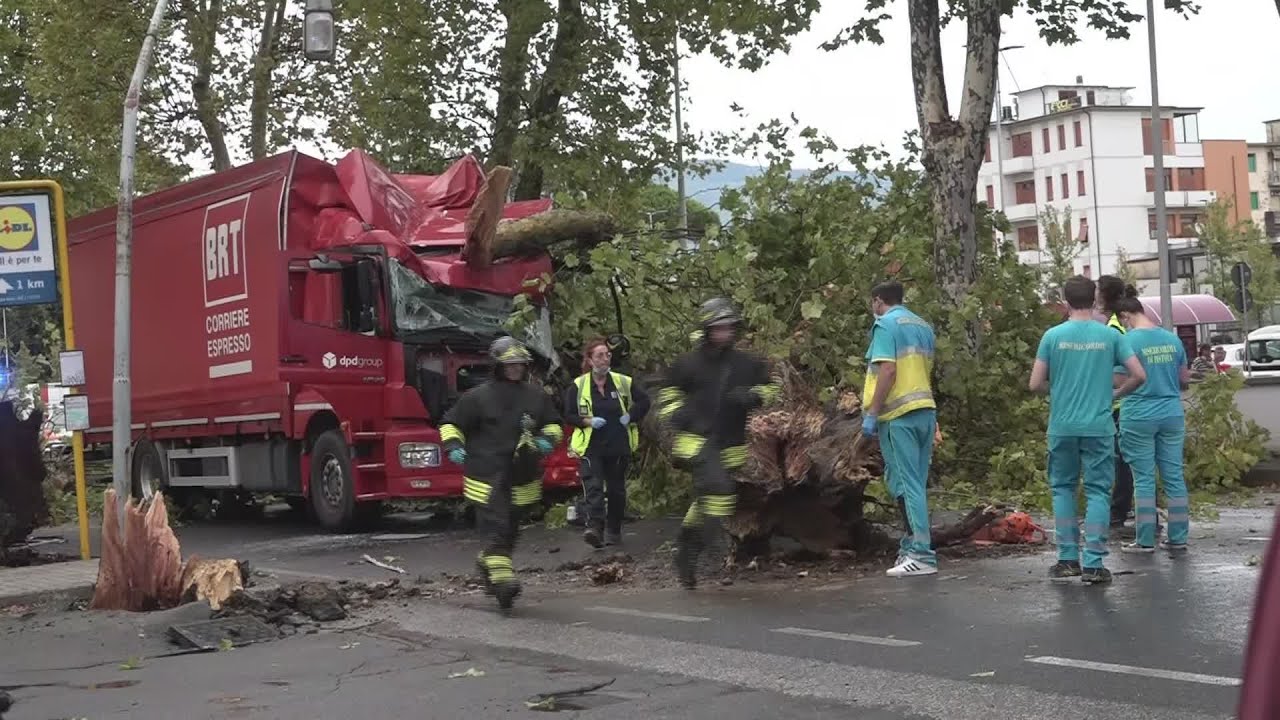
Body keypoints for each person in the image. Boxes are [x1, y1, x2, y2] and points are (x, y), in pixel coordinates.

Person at [1030, 276, 1146, 584]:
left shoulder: (1052, 336)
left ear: (1065, 301)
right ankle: (1094, 563)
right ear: (1094, 300)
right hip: (1099, 425)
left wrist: (1058, 389)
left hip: (1062, 425)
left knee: (1062, 489)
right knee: (1097, 492)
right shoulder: (1109, 335)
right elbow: (1138, 375)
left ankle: (1068, 559)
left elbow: (1035, 383)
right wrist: (1116, 394)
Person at [657, 298, 779, 589]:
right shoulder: (688, 364)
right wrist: (679, 413)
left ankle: (684, 550)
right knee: (720, 493)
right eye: (718, 328)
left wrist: (753, 396)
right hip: (697, 442)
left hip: (730, 444)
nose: (724, 333)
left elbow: (772, 387)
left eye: (728, 327)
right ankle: (693, 549)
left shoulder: (746, 364)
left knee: (709, 500)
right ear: (707, 329)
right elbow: (666, 395)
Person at [439, 337, 563, 609]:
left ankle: (489, 562)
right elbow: (450, 423)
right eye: (510, 364)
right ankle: (504, 582)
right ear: (497, 366)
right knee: (496, 526)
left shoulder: (536, 396)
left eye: (519, 364)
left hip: (523, 473)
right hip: (486, 472)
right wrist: (453, 446)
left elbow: (553, 423)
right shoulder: (477, 397)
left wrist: (546, 441)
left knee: (511, 526)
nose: (516, 368)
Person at [861, 280, 940, 578]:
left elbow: (888, 369)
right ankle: (911, 547)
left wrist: (873, 412)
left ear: (878, 301)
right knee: (915, 483)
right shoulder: (923, 326)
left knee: (907, 485)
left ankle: (921, 554)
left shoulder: (885, 325)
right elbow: (923, 373)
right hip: (924, 411)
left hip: (898, 415)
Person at [1113, 295, 1190, 553]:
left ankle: (1145, 540)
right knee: (1174, 477)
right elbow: (1184, 380)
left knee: (1144, 479)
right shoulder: (1172, 339)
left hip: (1139, 415)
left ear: (1125, 316)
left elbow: (1119, 380)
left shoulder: (1126, 341)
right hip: (1171, 413)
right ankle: (1178, 537)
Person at [564, 337, 651, 548]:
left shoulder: (622, 382)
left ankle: (613, 530)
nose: (605, 359)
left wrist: (630, 416)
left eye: (608, 355)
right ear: (590, 360)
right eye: (600, 355)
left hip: (617, 443)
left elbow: (644, 401)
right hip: (591, 446)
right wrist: (588, 421)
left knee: (616, 491)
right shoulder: (578, 386)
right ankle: (595, 528)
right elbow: (568, 415)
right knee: (593, 487)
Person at [1096, 275, 1138, 534]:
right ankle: (1134, 508)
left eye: (1097, 290)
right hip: (1123, 402)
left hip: (1119, 403)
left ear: (1104, 295)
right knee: (1128, 459)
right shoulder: (1117, 322)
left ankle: (1119, 510)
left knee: (1123, 460)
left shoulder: (1114, 326)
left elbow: (1120, 371)